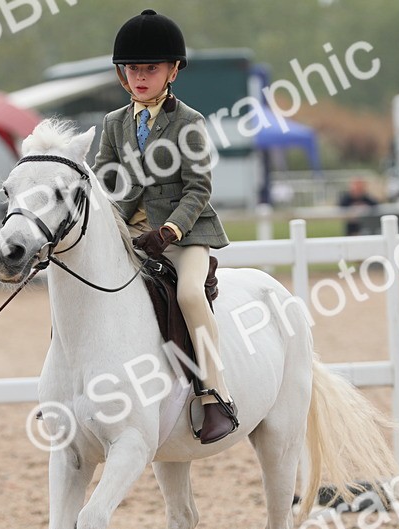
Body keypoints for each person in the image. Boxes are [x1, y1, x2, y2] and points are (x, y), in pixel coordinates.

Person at [93, 9, 236, 444]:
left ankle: (214, 394)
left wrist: (170, 231)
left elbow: (198, 189)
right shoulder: (113, 123)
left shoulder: (189, 122)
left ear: (173, 70)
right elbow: (104, 179)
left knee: (191, 294)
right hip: (132, 234)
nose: (140, 77)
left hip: (184, 235)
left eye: (150, 68)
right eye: (133, 69)